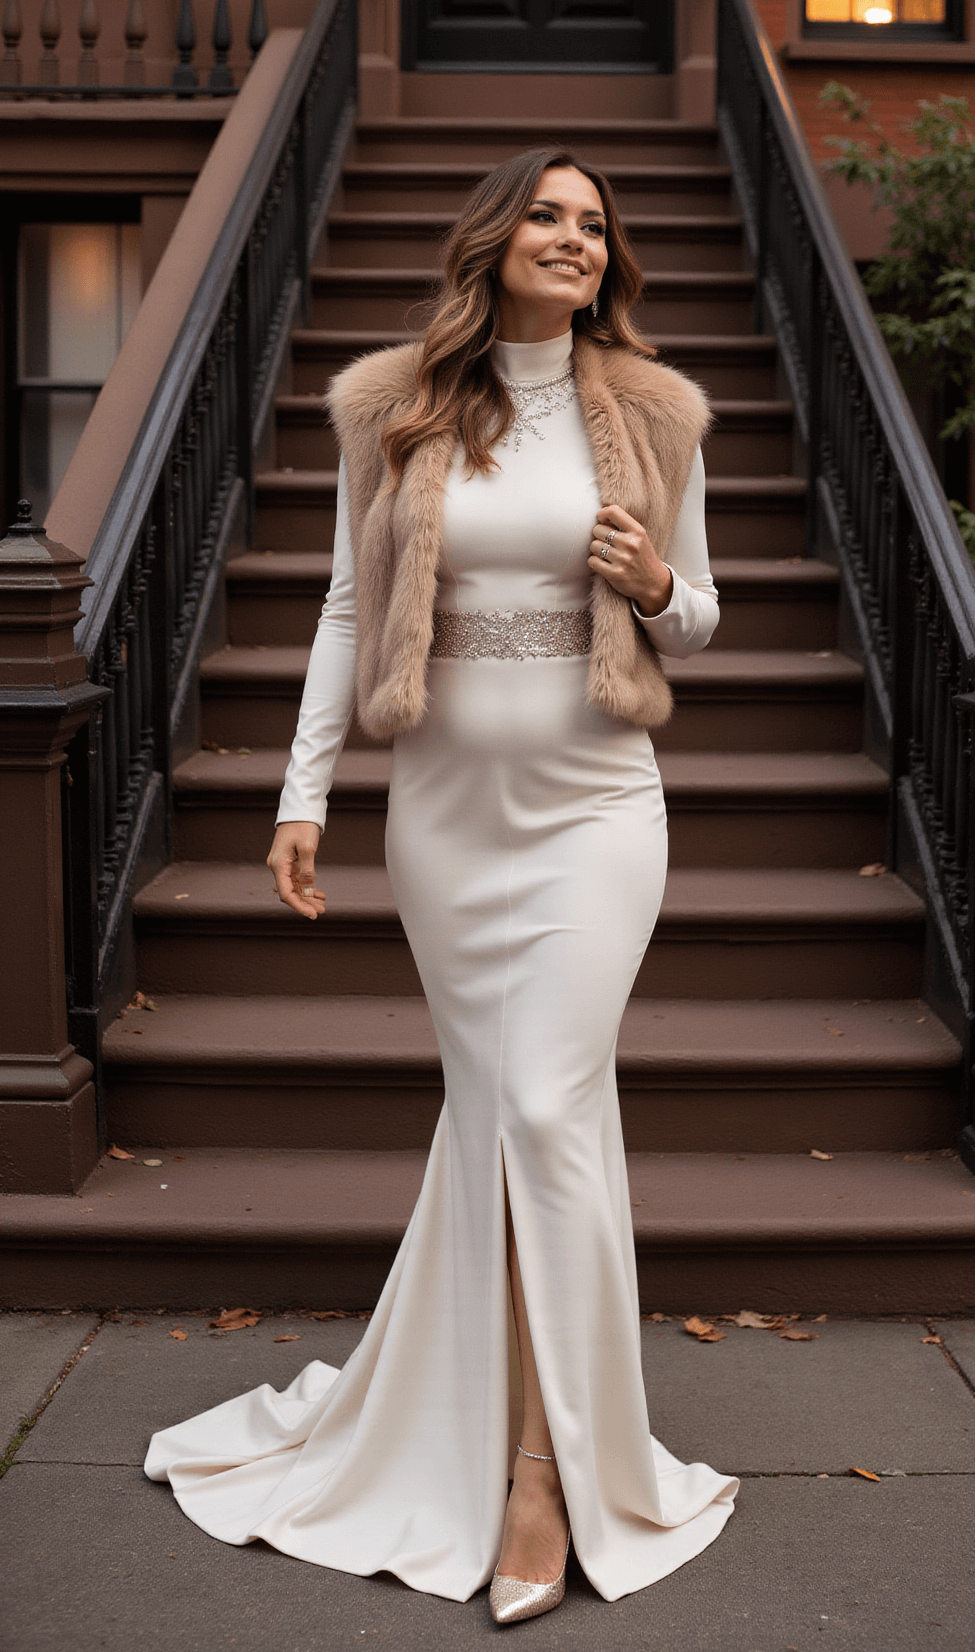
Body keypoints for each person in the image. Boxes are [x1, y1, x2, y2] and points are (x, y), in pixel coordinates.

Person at [145, 147, 738, 1623]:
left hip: (599, 808)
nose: (576, 240)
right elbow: (351, 604)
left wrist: (662, 589)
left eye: (597, 224)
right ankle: (473, 1425)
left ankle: (541, 1476)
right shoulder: (397, 409)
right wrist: (302, 793)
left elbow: (708, 614)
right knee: (511, 1120)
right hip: (446, 826)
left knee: (543, 1106)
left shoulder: (657, 415)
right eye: (548, 214)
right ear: (494, 236)